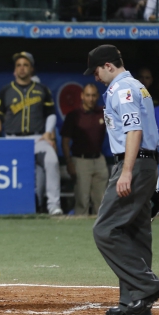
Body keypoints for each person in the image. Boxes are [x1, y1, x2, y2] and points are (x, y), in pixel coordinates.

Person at [84, 44, 159, 315]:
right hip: (145, 162)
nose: (94, 77)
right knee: (135, 231)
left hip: (134, 162)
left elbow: (134, 129)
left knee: (105, 230)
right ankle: (136, 303)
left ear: (108, 65)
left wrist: (127, 171)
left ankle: (146, 287)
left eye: (96, 71)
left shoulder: (124, 89)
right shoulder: (135, 86)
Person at [0, 52, 63, 215]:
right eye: (19, 65)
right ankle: (6, 206)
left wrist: (48, 133)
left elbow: (51, 113)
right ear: (15, 70)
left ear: (31, 69)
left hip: (36, 139)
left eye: (25, 65)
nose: (22, 68)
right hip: (12, 139)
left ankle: (54, 205)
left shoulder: (41, 89)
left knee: (51, 160)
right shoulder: (6, 90)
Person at [60, 83, 108, 216]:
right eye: (88, 95)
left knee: (102, 201)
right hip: (80, 161)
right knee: (82, 202)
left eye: (93, 95)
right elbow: (65, 141)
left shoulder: (103, 113)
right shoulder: (74, 115)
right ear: (82, 96)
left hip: (99, 160)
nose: (91, 99)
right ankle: (80, 234)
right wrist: (69, 162)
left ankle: (102, 233)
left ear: (98, 96)